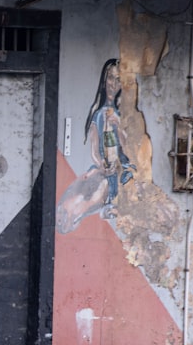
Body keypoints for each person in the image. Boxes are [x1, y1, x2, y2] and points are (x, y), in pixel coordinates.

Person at [56, 58, 136, 233]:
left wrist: (119, 128)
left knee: (103, 187)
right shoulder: (99, 115)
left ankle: (82, 212)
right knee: (91, 179)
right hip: (105, 168)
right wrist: (101, 164)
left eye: (118, 80)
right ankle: (70, 211)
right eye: (110, 78)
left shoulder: (125, 116)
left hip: (123, 169)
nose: (113, 84)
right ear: (103, 79)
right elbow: (95, 148)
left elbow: (130, 151)